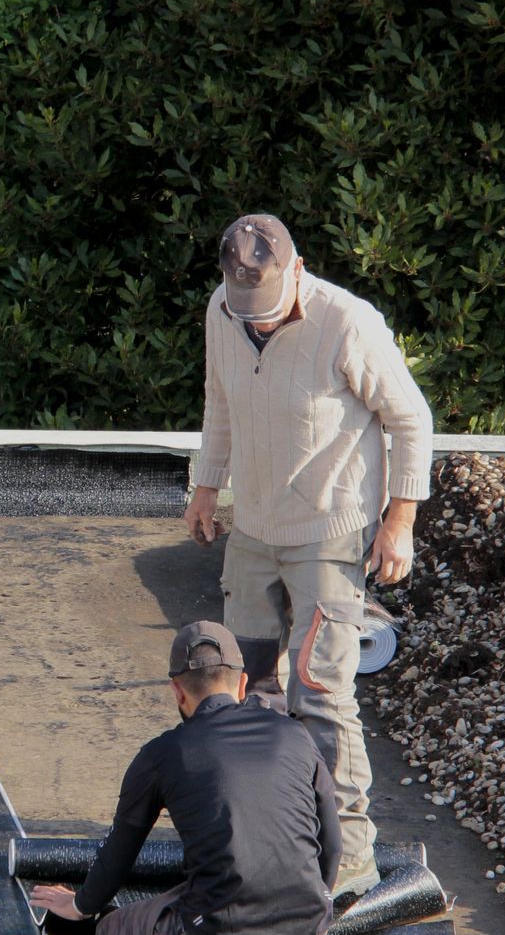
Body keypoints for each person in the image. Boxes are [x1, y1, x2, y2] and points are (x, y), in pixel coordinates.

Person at [179, 212, 432, 899]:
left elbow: (410, 420)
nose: (255, 323)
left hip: (329, 531)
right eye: (244, 312)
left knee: (319, 693)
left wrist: (399, 522)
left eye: (266, 309)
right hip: (254, 533)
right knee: (243, 690)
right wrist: (206, 489)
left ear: (297, 270)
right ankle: (269, 838)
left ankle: (349, 857)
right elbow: (219, 403)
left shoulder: (347, 323)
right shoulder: (223, 310)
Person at [30, 621, 340, 935]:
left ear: (177, 690)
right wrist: (318, 907)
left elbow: (121, 849)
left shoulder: (163, 754)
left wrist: (81, 905)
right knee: (190, 891)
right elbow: (331, 845)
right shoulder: (295, 735)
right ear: (243, 684)